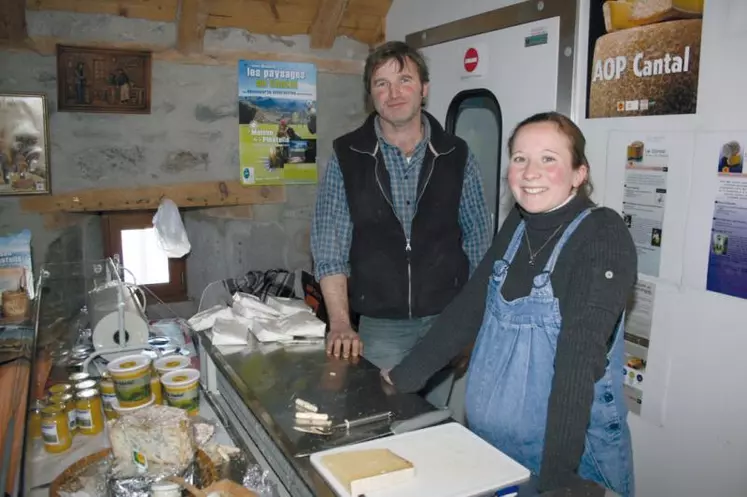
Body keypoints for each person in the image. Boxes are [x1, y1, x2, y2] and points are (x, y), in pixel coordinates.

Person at [384, 112, 637, 496]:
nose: (530, 172)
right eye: (520, 158)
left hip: (567, 457)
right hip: (492, 451)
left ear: (578, 173)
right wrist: (403, 378)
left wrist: (556, 482)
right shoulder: (518, 226)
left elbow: (578, 361)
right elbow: (467, 310)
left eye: (548, 159)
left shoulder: (602, 236)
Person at [310, 41, 491, 407]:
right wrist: (341, 323)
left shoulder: (457, 154)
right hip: (381, 326)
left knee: (430, 417)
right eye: (381, 83)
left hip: (447, 320)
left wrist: (472, 324)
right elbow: (330, 247)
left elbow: (478, 243)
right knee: (382, 415)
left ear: (423, 89)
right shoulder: (347, 155)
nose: (394, 93)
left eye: (404, 80)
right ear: (371, 96)